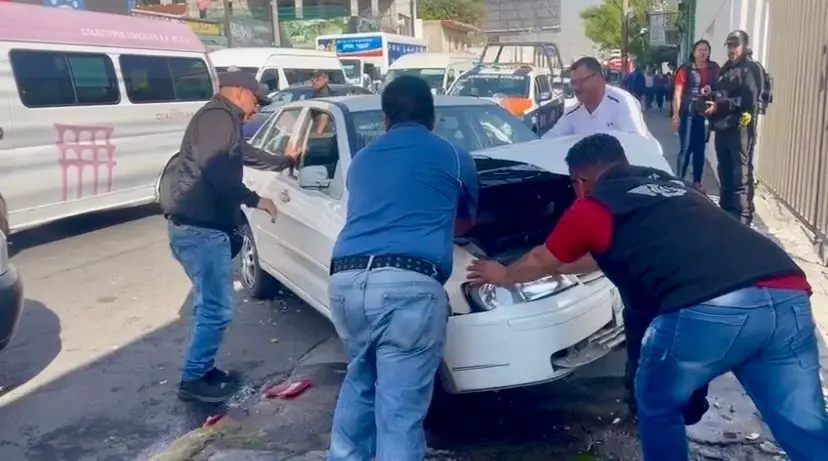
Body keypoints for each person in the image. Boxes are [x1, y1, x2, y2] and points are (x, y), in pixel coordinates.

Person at [467, 133, 828, 461]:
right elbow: (603, 254)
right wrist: (561, 269)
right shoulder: (678, 188)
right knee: (802, 422)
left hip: (711, 306)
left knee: (657, 401)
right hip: (786, 291)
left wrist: (502, 274)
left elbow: (541, 258)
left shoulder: (596, 205)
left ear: (580, 182)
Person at [326, 75, 479, 460]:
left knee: (361, 380)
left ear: (385, 119)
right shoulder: (453, 154)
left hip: (345, 281)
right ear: (432, 117)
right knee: (399, 411)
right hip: (407, 288)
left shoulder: (361, 160)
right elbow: (464, 223)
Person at [160, 71, 300, 403]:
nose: (256, 110)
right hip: (200, 231)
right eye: (256, 101)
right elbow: (219, 173)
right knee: (216, 309)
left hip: (201, 230)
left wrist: (283, 161)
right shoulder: (217, 118)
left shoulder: (224, 121)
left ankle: (204, 370)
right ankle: (194, 379)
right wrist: (256, 199)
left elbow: (245, 154)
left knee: (210, 306)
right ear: (238, 93)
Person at [705, 30, 762, 225]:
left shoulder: (751, 69)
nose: (731, 49)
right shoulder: (726, 68)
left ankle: (743, 218)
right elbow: (723, 92)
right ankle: (727, 213)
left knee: (741, 173)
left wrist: (719, 105)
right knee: (725, 172)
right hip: (722, 128)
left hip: (740, 129)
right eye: (729, 45)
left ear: (744, 46)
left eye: (735, 45)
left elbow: (748, 99)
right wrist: (711, 93)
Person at [544, 57, 648, 139]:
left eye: (580, 82)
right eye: (573, 83)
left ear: (597, 78)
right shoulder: (573, 112)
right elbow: (550, 140)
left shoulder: (623, 102)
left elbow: (636, 142)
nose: (576, 87)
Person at [673, 39, 720, 191]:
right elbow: (677, 94)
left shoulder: (715, 69)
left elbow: (721, 88)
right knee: (686, 148)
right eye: (699, 50)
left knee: (700, 149)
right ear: (693, 53)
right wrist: (676, 115)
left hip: (705, 113)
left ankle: (697, 182)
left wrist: (713, 96)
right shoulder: (685, 70)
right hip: (687, 113)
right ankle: (679, 182)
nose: (702, 53)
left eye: (705, 49)